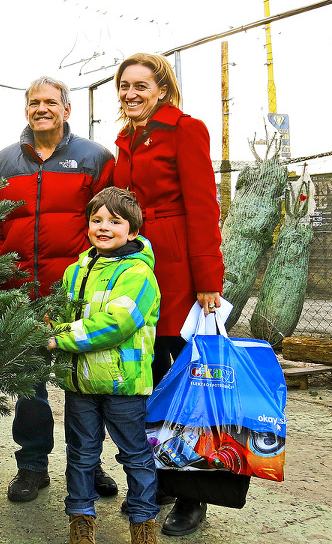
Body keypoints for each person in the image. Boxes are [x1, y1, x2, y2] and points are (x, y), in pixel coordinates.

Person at [0, 76, 115, 503]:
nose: (42, 108)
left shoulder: (94, 158)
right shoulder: (4, 162)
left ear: (66, 109)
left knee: (84, 383)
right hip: (20, 291)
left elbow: (111, 223)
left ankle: (89, 464)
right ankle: (32, 466)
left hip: (76, 293)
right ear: (27, 110)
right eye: (34, 102)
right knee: (29, 385)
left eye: (50, 102)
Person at [112, 53, 224, 536]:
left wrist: (208, 282)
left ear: (162, 89)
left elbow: (203, 208)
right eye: (124, 86)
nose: (130, 93)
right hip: (139, 267)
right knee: (150, 378)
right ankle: (156, 481)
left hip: (179, 270)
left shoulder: (186, 130)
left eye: (141, 85)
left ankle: (193, 496)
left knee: (186, 386)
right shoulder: (125, 139)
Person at [47, 186, 161, 544]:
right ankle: (81, 519)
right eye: (96, 220)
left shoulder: (139, 274)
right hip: (80, 384)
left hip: (122, 385)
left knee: (136, 455)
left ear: (133, 232)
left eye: (115, 221)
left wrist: (59, 337)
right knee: (81, 456)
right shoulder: (75, 270)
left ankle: (142, 522)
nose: (104, 227)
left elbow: (117, 324)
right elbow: (64, 315)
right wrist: (46, 326)